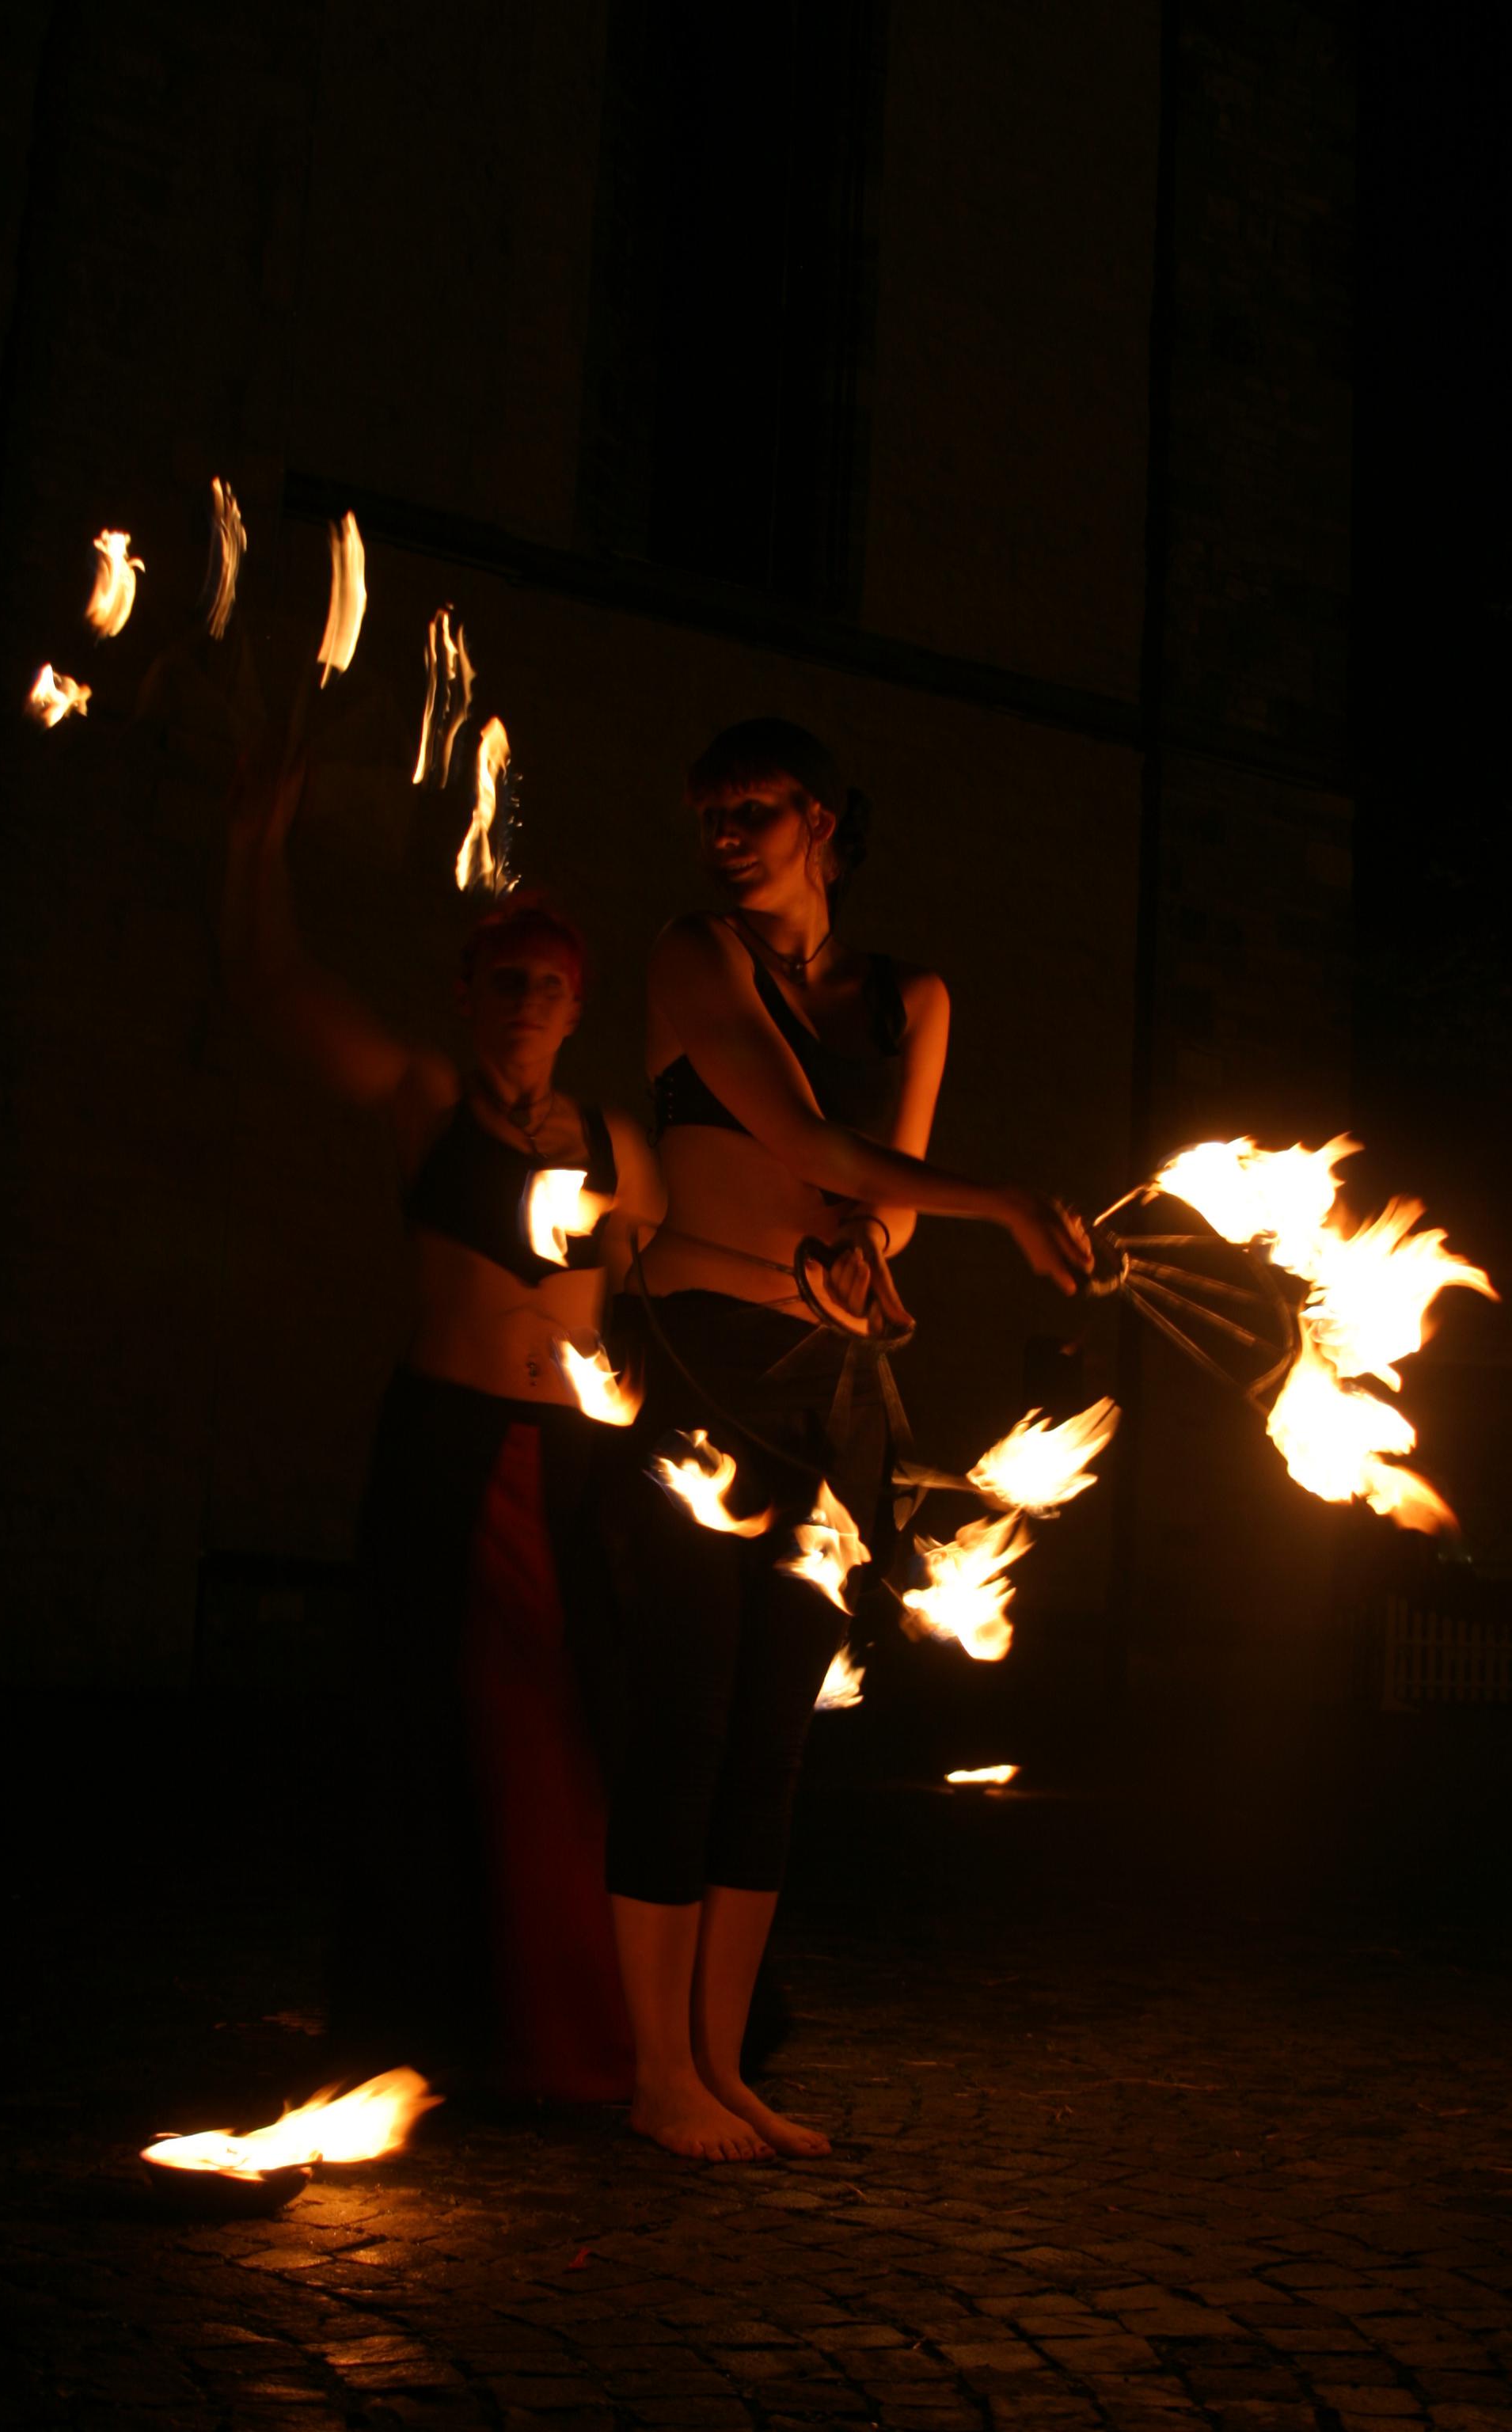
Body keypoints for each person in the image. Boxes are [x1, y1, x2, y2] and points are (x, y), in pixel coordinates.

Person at [603, 717, 1091, 2163]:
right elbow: (805, 1142)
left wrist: (863, 1254)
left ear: (822, 821)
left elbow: (882, 1194)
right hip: (704, 1367)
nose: (724, 833)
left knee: (773, 1737)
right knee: (687, 1718)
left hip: (835, 1390)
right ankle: (656, 2074)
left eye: (753, 808)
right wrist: (1005, 1204)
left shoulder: (910, 1000)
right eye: (709, 811)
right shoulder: (693, 955)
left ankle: (723, 2064)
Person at [221, 756, 663, 2101]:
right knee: (437, 1732)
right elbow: (278, 990)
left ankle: (595, 2033)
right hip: (446, 1455)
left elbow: (685, 1292)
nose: (527, 1000)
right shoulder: (426, 1100)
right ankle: (445, 2032)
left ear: (578, 1008)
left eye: (549, 984)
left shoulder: (622, 1147)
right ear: (469, 996)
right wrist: (256, 849)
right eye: (505, 980)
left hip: (573, 1468)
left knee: (580, 1727)